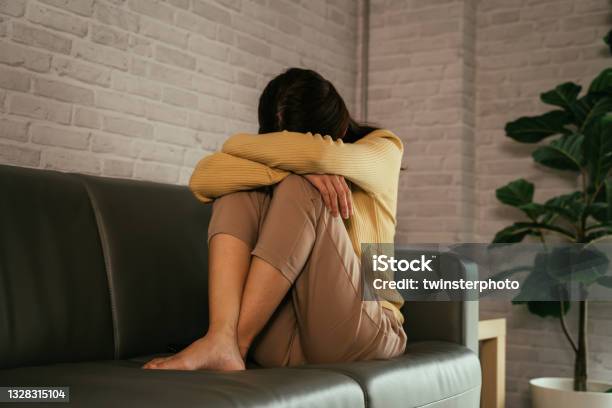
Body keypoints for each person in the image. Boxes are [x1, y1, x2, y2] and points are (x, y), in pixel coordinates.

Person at [142, 68, 406, 371]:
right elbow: (204, 177)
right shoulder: (291, 165)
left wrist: (291, 167)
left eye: (297, 147)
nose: (293, 156)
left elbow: (320, 158)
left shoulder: (384, 149)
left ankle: (232, 343)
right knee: (236, 191)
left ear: (339, 129)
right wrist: (295, 167)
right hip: (283, 339)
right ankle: (220, 337)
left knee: (300, 186)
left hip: (364, 330)